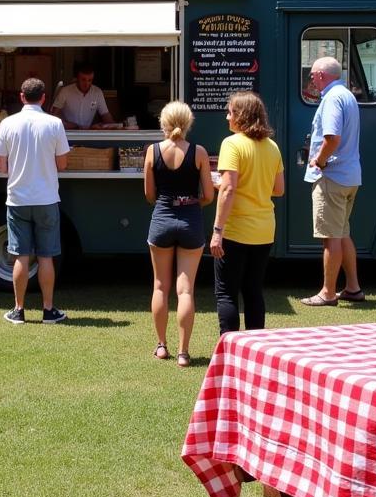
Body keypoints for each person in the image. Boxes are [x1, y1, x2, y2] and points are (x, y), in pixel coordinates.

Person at [0, 77, 71, 324]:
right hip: (46, 198)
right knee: (46, 256)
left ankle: (18, 309)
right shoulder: (55, 123)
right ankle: (48, 310)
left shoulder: (8, 123)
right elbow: (62, 163)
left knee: (20, 255)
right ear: (44, 98)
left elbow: (0, 165)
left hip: (17, 198)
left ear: (22, 96)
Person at [144, 100, 214, 366]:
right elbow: (208, 195)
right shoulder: (199, 152)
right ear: (188, 123)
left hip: (161, 219)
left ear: (163, 123)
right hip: (191, 221)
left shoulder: (152, 151)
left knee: (160, 286)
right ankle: (184, 353)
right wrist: (192, 202)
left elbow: (150, 195)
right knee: (186, 291)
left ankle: (162, 346)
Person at [210, 92, 285, 335]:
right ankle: (256, 351)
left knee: (226, 293)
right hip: (264, 230)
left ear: (241, 116)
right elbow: (279, 189)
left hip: (236, 229)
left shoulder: (231, 144)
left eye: (230, 112)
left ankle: (230, 351)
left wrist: (217, 231)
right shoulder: (272, 147)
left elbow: (229, 188)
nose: (226, 117)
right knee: (253, 291)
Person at [301, 57, 363, 307]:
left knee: (330, 238)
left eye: (313, 75)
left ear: (321, 75)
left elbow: (332, 137)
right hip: (349, 176)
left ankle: (327, 293)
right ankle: (353, 288)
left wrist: (321, 161)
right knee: (342, 233)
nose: (311, 79)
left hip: (332, 176)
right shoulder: (346, 95)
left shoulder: (332, 98)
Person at [50, 62, 115, 130]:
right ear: (77, 79)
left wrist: (116, 128)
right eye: (83, 80)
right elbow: (54, 116)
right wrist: (65, 124)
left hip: (87, 134)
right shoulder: (65, 91)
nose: (86, 84)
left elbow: (105, 115)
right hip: (67, 133)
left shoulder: (97, 92)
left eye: (90, 80)